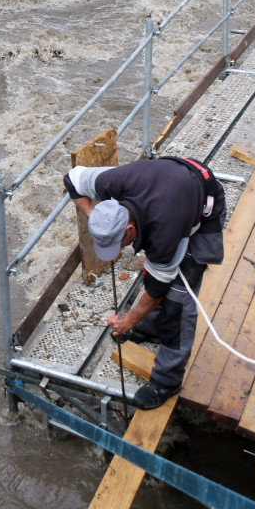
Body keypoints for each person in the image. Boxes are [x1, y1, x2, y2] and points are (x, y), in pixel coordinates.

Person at [63, 156, 225, 410]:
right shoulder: (111, 182)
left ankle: (168, 381)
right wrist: (96, 216)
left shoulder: (165, 230)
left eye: (119, 243)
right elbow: (71, 180)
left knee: (178, 300)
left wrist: (130, 319)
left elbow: (159, 286)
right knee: (157, 279)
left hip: (203, 199)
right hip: (168, 182)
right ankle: (152, 328)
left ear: (129, 229)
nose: (118, 250)